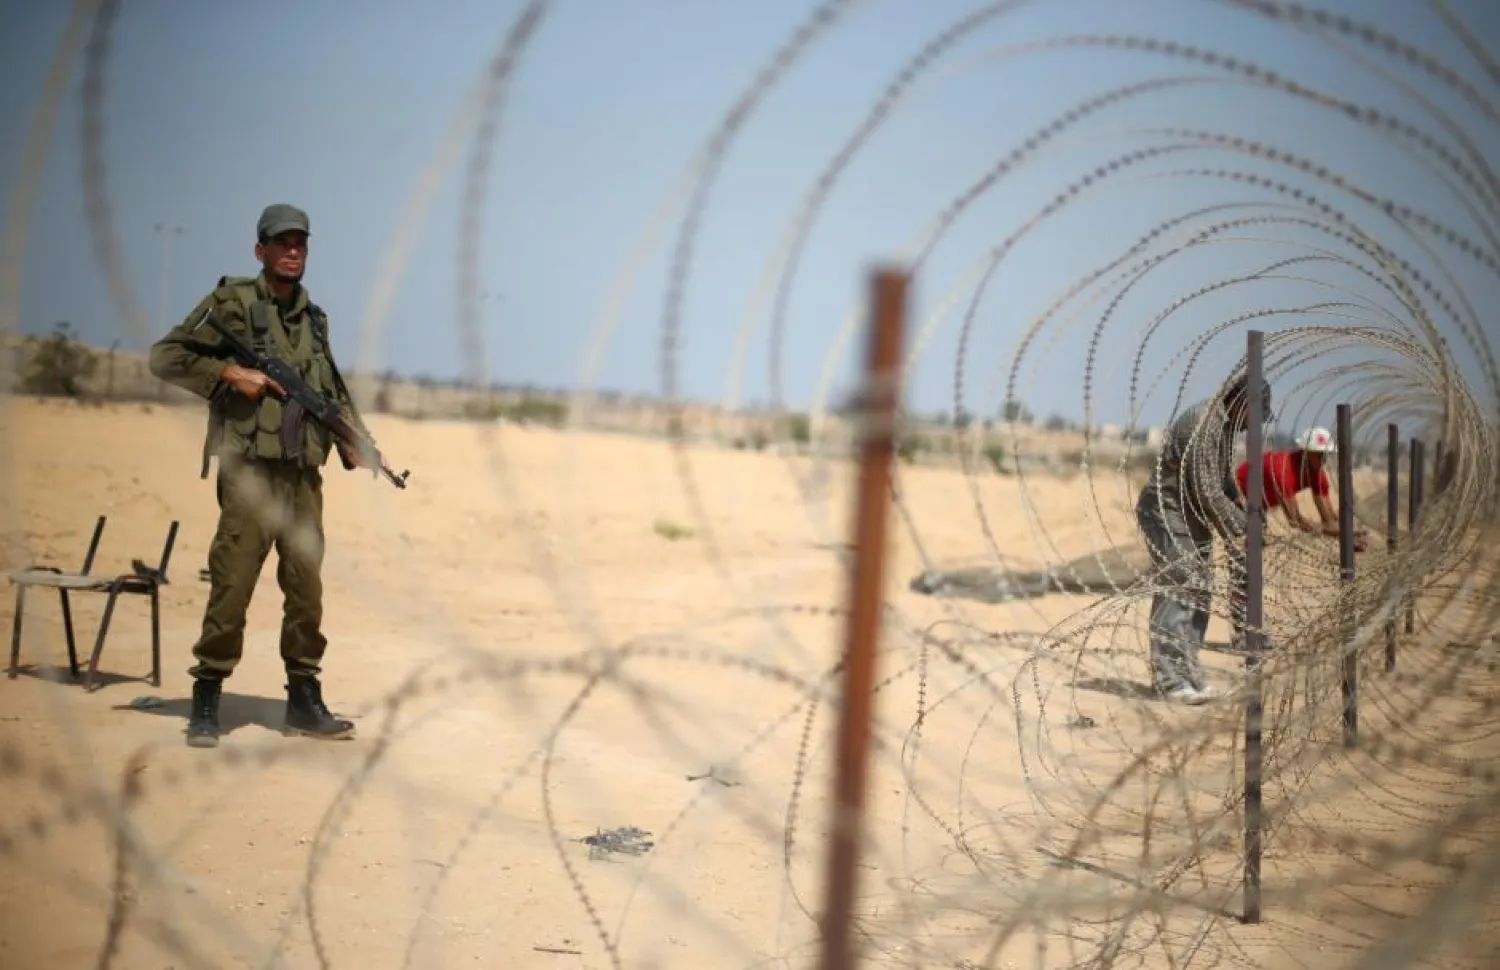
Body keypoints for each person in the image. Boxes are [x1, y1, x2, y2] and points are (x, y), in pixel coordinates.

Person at [148, 203, 364, 748]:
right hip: (249, 476)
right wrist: (228, 371)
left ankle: (303, 697)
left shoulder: (315, 320)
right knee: (233, 584)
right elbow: (165, 356)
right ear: (260, 250)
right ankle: (207, 696)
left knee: (306, 590)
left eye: (301, 243)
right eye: (281, 242)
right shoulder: (232, 303)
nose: (292, 251)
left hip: (301, 480)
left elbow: (329, 392)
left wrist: (352, 438)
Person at [1136, 373, 1269, 705]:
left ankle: (1189, 675)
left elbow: (1220, 479)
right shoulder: (1203, 424)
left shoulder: (1222, 426)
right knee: (1179, 590)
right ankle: (1170, 681)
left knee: (1198, 593)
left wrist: (1242, 505)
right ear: (1243, 403)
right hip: (1169, 512)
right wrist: (1241, 527)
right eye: (1257, 414)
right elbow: (1206, 491)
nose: (1255, 425)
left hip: (1189, 514)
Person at [1230, 426, 1368, 551]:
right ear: (1305, 452)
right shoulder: (1282, 470)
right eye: (1319, 455)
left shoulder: (1317, 472)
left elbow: (1330, 518)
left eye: (1326, 454)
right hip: (1235, 498)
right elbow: (1295, 520)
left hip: (1258, 507)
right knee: (1241, 551)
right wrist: (1342, 534)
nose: (1324, 460)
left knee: (1252, 556)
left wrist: (1347, 536)